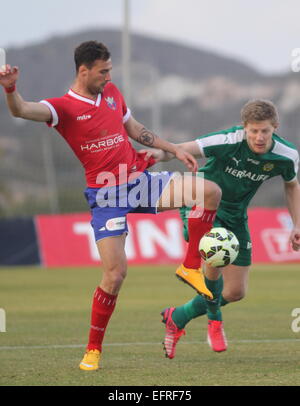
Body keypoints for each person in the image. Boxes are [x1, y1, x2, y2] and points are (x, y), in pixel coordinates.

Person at [0, 40, 223, 370]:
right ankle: (93, 349)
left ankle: (189, 266)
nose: (108, 77)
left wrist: (174, 149)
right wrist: (10, 89)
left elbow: (137, 130)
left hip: (139, 181)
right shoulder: (63, 107)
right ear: (83, 70)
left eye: (110, 71)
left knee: (209, 192)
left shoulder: (113, 93)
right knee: (115, 274)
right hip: (107, 197)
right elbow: (22, 109)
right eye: (103, 72)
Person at [143, 99, 300, 359]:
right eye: (253, 131)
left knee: (235, 291)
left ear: (275, 128)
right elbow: (183, 148)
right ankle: (215, 321)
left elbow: (292, 185)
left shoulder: (286, 155)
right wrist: (158, 154)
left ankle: (177, 316)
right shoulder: (227, 141)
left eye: (265, 131)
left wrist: (297, 223)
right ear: (244, 128)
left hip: (236, 216)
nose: (259, 137)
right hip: (202, 203)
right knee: (216, 248)